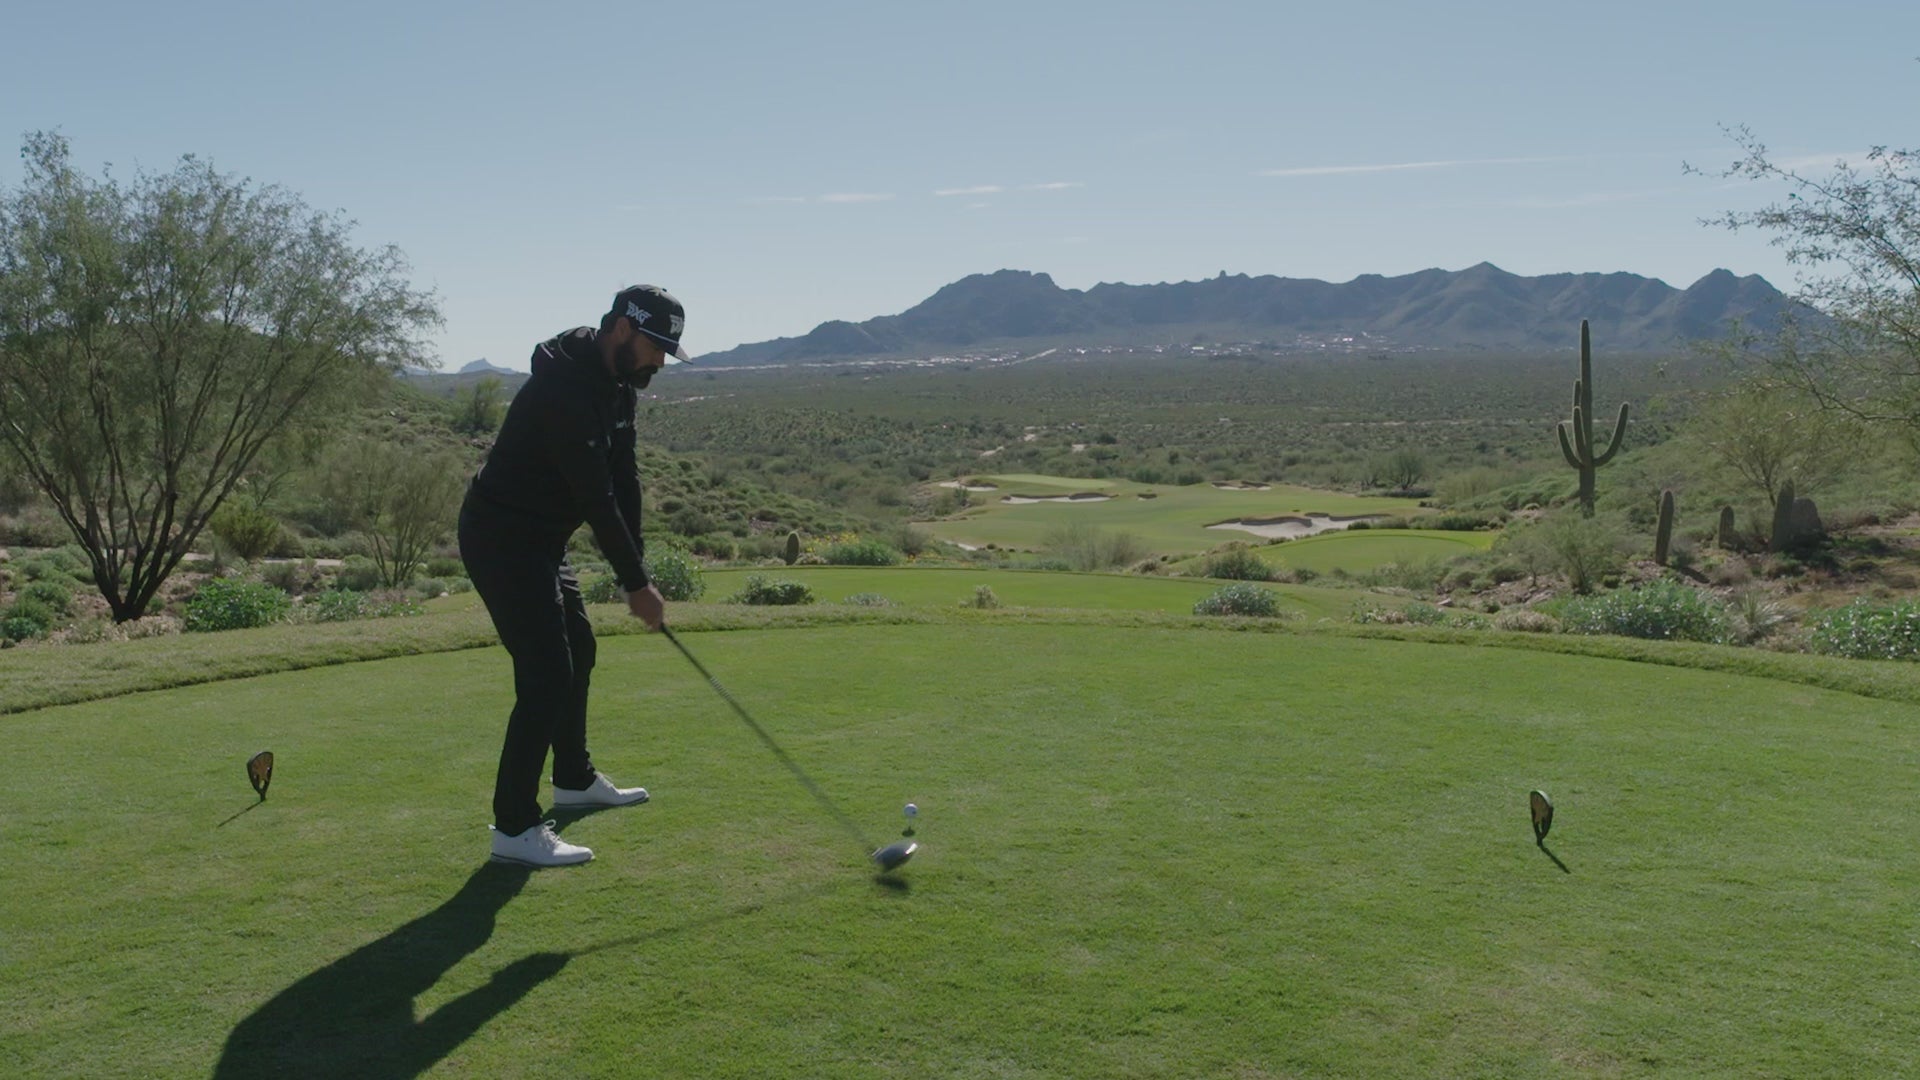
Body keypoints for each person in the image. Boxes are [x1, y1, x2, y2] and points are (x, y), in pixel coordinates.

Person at [458, 284, 690, 867]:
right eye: (655, 347)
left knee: (578, 649)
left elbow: (624, 479)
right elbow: (594, 497)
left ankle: (573, 779)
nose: (659, 361)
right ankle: (513, 827)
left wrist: (637, 568)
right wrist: (637, 586)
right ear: (621, 330)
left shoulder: (615, 386)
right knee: (545, 673)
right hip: (502, 537)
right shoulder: (564, 390)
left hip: (541, 540)